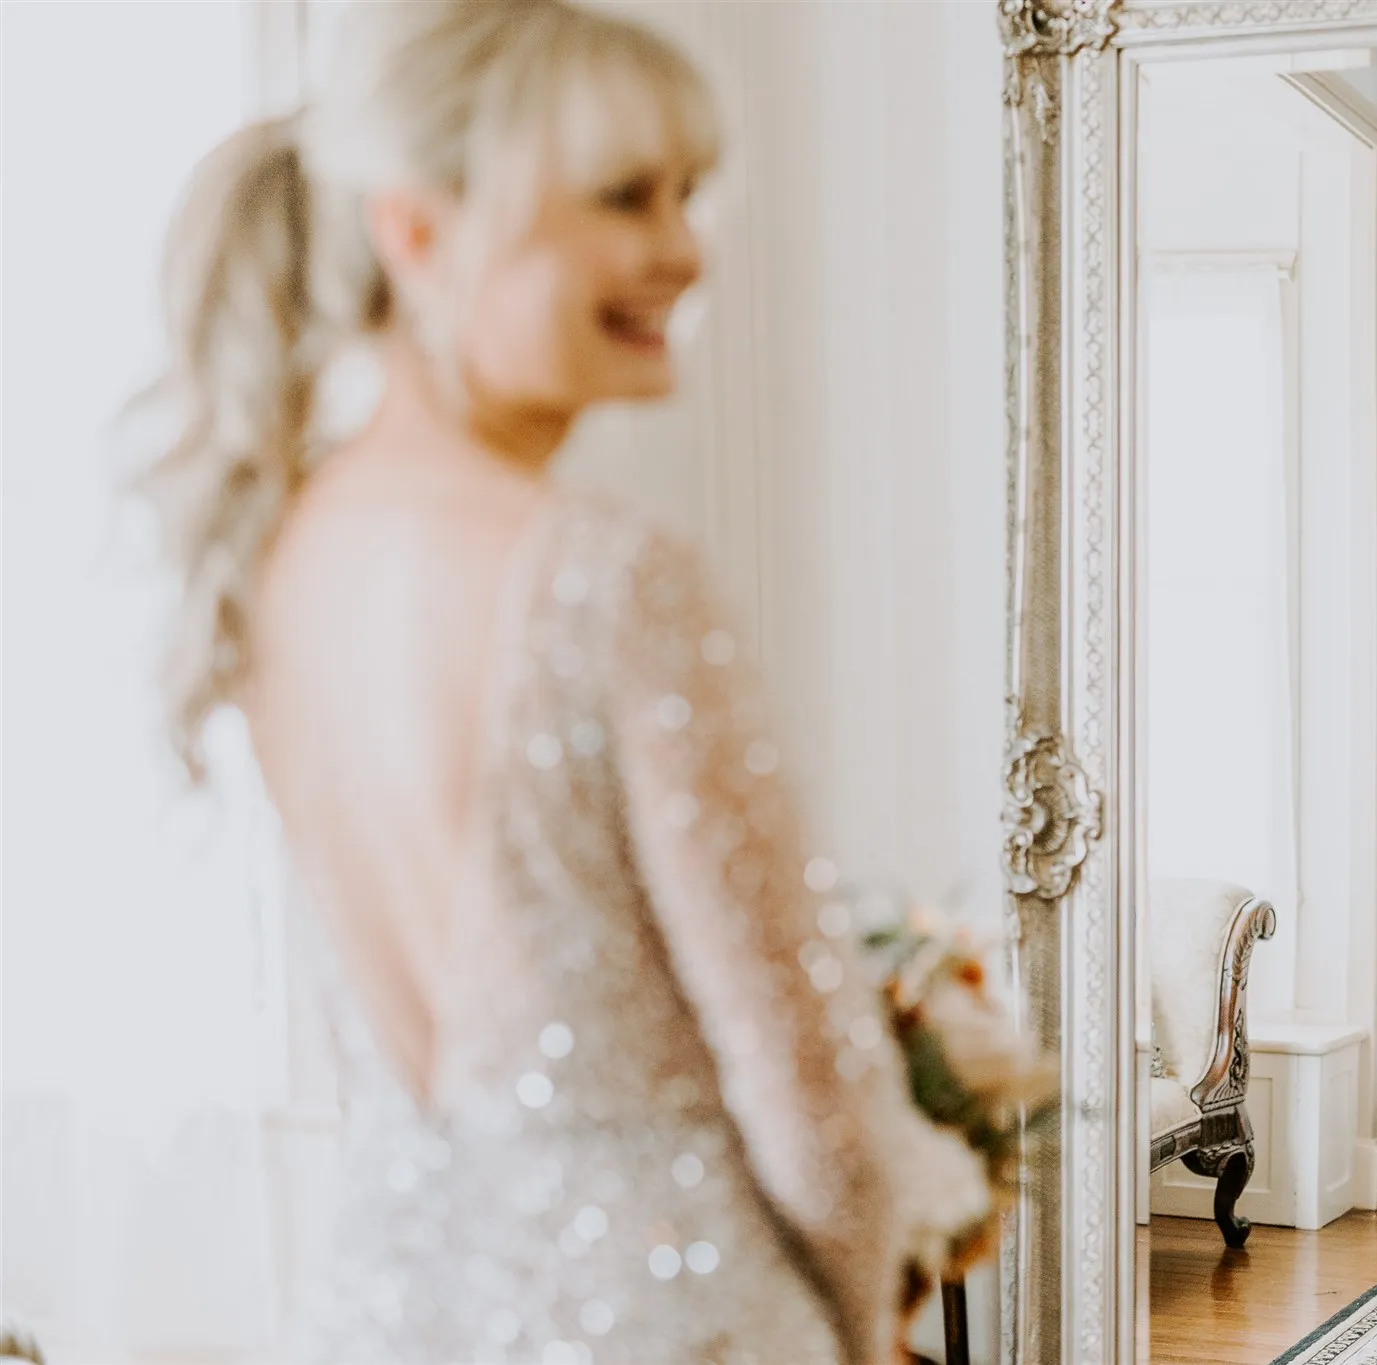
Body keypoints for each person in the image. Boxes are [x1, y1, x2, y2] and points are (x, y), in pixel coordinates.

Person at [134, 4, 908, 1361]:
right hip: (676, 1322)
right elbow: (817, 1094)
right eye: (624, 198)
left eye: (689, 193)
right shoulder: (607, 574)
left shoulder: (271, 566)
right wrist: (851, 1320)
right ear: (417, 233)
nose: (683, 248)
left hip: (390, 1310)